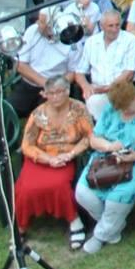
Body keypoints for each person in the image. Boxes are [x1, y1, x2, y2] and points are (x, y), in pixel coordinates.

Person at [74, 76, 135, 256]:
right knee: (82, 193)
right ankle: (114, 227)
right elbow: (94, 139)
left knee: (117, 199)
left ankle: (100, 236)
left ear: (133, 98)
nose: (123, 111)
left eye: (125, 107)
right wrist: (109, 146)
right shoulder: (111, 109)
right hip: (105, 159)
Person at [17, 72, 93, 245]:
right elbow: (27, 145)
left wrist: (71, 154)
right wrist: (46, 159)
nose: (55, 96)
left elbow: (89, 136)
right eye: (51, 93)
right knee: (26, 188)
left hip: (66, 156)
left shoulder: (79, 109)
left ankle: (74, 221)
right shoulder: (38, 114)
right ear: (45, 94)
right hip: (41, 157)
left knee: (59, 185)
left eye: (59, 92)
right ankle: (21, 226)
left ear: (67, 91)